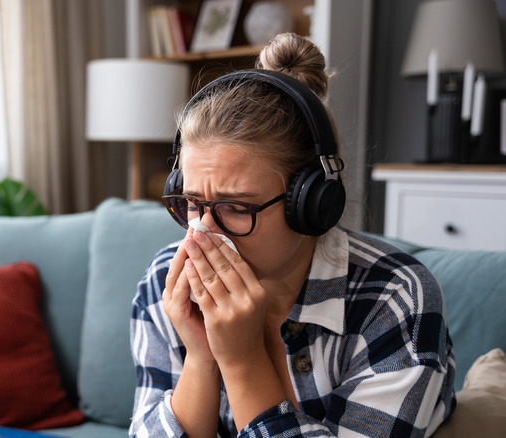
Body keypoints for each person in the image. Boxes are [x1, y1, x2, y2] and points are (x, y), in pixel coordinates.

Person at [129, 33, 455, 438]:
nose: (201, 234)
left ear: (312, 204)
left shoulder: (395, 298)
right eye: (193, 203)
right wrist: (201, 357)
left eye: (237, 207)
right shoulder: (165, 280)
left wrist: (242, 360)